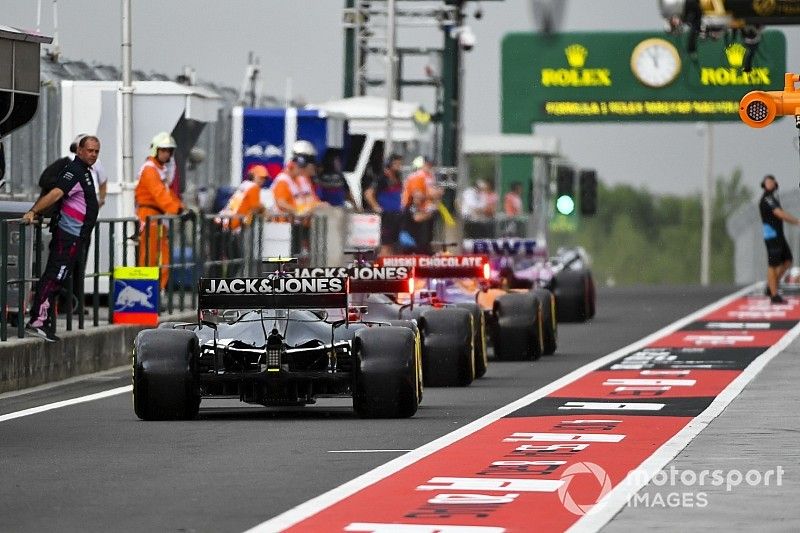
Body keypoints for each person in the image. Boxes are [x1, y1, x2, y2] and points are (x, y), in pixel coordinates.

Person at [22, 136, 101, 341]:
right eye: (90, 150)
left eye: (96, 151)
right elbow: (55, 194)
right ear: (80, 150)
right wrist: (33, 211)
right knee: (55, 276)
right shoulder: (73, 171)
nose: (93, 154)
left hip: (76, 236)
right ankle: (38, 321)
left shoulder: (84, 171)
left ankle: (44, 319)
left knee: (59, 277)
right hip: (68, 235)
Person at [135, 132, 186, 291]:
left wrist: (182, 208)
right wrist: (177, 210)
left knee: (162, 258)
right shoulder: (150, 170)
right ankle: (147, 292)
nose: (166, 154)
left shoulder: (159, 170)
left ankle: (157, 292)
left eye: (168, 151)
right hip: (149, 217)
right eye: (163, 150)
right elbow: (159, 194)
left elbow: (167, 193)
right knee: (149, 258)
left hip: (158, 217)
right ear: (155, 150)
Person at [214, 164, 268, 276]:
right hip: (230, 226)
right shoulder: (253, 187)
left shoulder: (245, 185)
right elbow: (255, 206)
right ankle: (226, 286)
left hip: (223, 223)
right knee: (236, 259)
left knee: (221, 258)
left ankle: (221, 284)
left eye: (264, 178)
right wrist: (264, 209)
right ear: (253, 176)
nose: (262, 181)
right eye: (260, 177)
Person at [759, 174, 800, 304]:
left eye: (772, 182)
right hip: (772, 236)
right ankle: (774, 294)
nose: (770, 184)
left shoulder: (773, 198)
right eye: (768, 182)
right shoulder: (767, 199)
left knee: (788, 260)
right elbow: (778, 213)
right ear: (764, 185)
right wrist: (796, 221)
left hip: (778, 234)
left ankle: (771, 286)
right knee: (773, 264)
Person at [365, 153, 404, 256]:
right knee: (385, 245)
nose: (399, 166)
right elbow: (368, 194)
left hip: (397, 215)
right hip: (386, 216)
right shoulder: (382, 178)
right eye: (396, 164)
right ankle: (380, 269)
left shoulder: (398, 178)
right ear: (389, 164)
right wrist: (377, 207)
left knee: (393, 245)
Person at [270, 140, 321, 217]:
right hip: (287, 225)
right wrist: (298, 211)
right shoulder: (283, 181)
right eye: (308, 167)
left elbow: (312, 199)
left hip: (304, 224)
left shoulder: (304, 179)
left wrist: (320, 205)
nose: (310, 171)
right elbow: (281, 203)